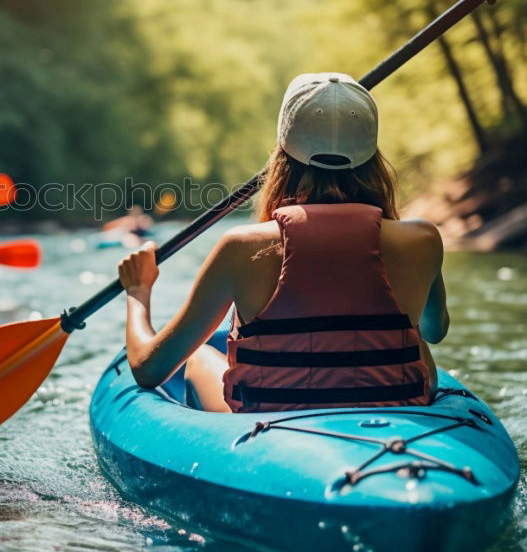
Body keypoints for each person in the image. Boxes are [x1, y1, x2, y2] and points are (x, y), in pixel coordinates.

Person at [117, 73, 450, 414]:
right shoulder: (421, 239)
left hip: (273, 417)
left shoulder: (241, 247)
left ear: (281, 157)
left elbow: (148, 369)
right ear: (374, 159)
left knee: (199, 355)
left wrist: (138, 293)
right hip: (398, 406)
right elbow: (434, 330)